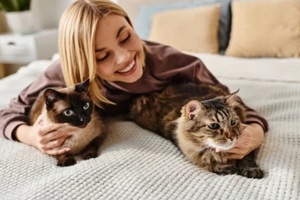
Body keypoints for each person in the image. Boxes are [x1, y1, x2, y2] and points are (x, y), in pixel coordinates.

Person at [0, 0, 268, 159]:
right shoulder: (65, 76)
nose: (123, 58)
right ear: (83, 63)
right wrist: (30, 135)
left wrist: (254, 132)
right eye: (102, 55)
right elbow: (7, 112)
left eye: (126, 37)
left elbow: (231, 105)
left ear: (131, 25)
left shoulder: (174, 63)